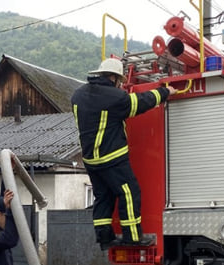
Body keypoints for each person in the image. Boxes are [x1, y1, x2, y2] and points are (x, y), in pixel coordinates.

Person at [72, 58, 177, 250]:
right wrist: (165, 92)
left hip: (90, 160)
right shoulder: (114, 97)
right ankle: (133, 237)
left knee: (103, 196)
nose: (120, 84)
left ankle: (104, 237)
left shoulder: (78, 95)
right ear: (113, 77)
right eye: (119, 80)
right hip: (112, 157)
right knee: (129, 193)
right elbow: (140, 102)